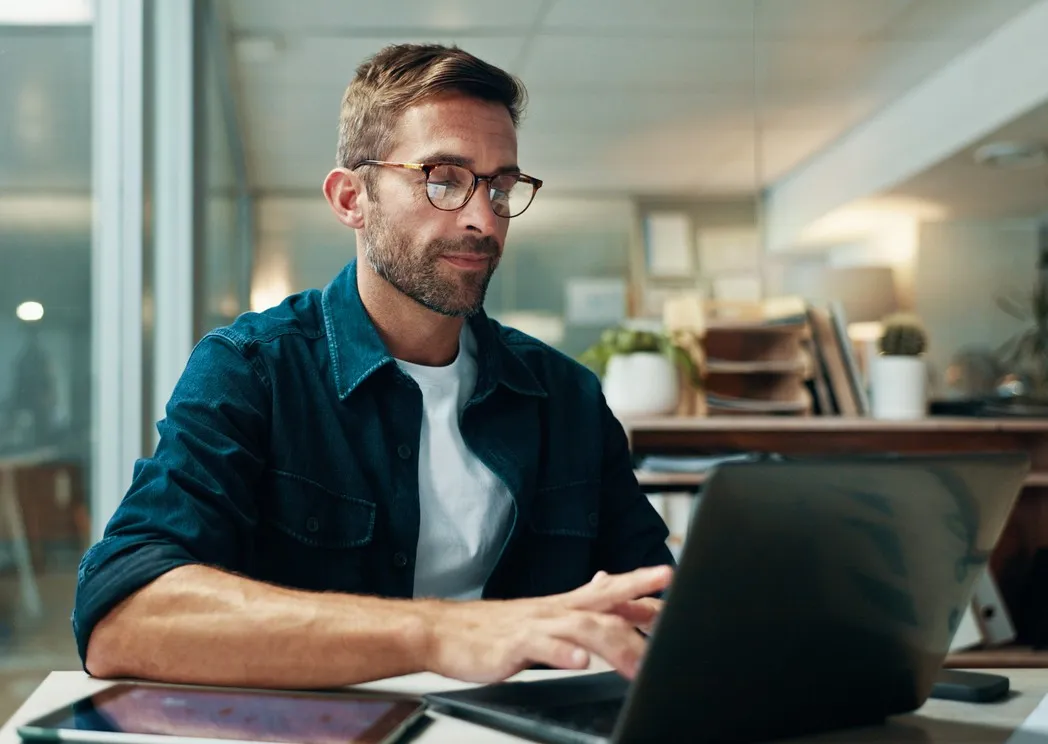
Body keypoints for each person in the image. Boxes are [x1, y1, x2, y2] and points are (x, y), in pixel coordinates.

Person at [74, 43, 675, 691]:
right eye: (443, 178)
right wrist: (440, 632)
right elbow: (122, 614)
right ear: (350, 199)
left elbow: (658, 601)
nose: (483, 218)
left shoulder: (566, 395)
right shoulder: (253, 370)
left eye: (501, 186)